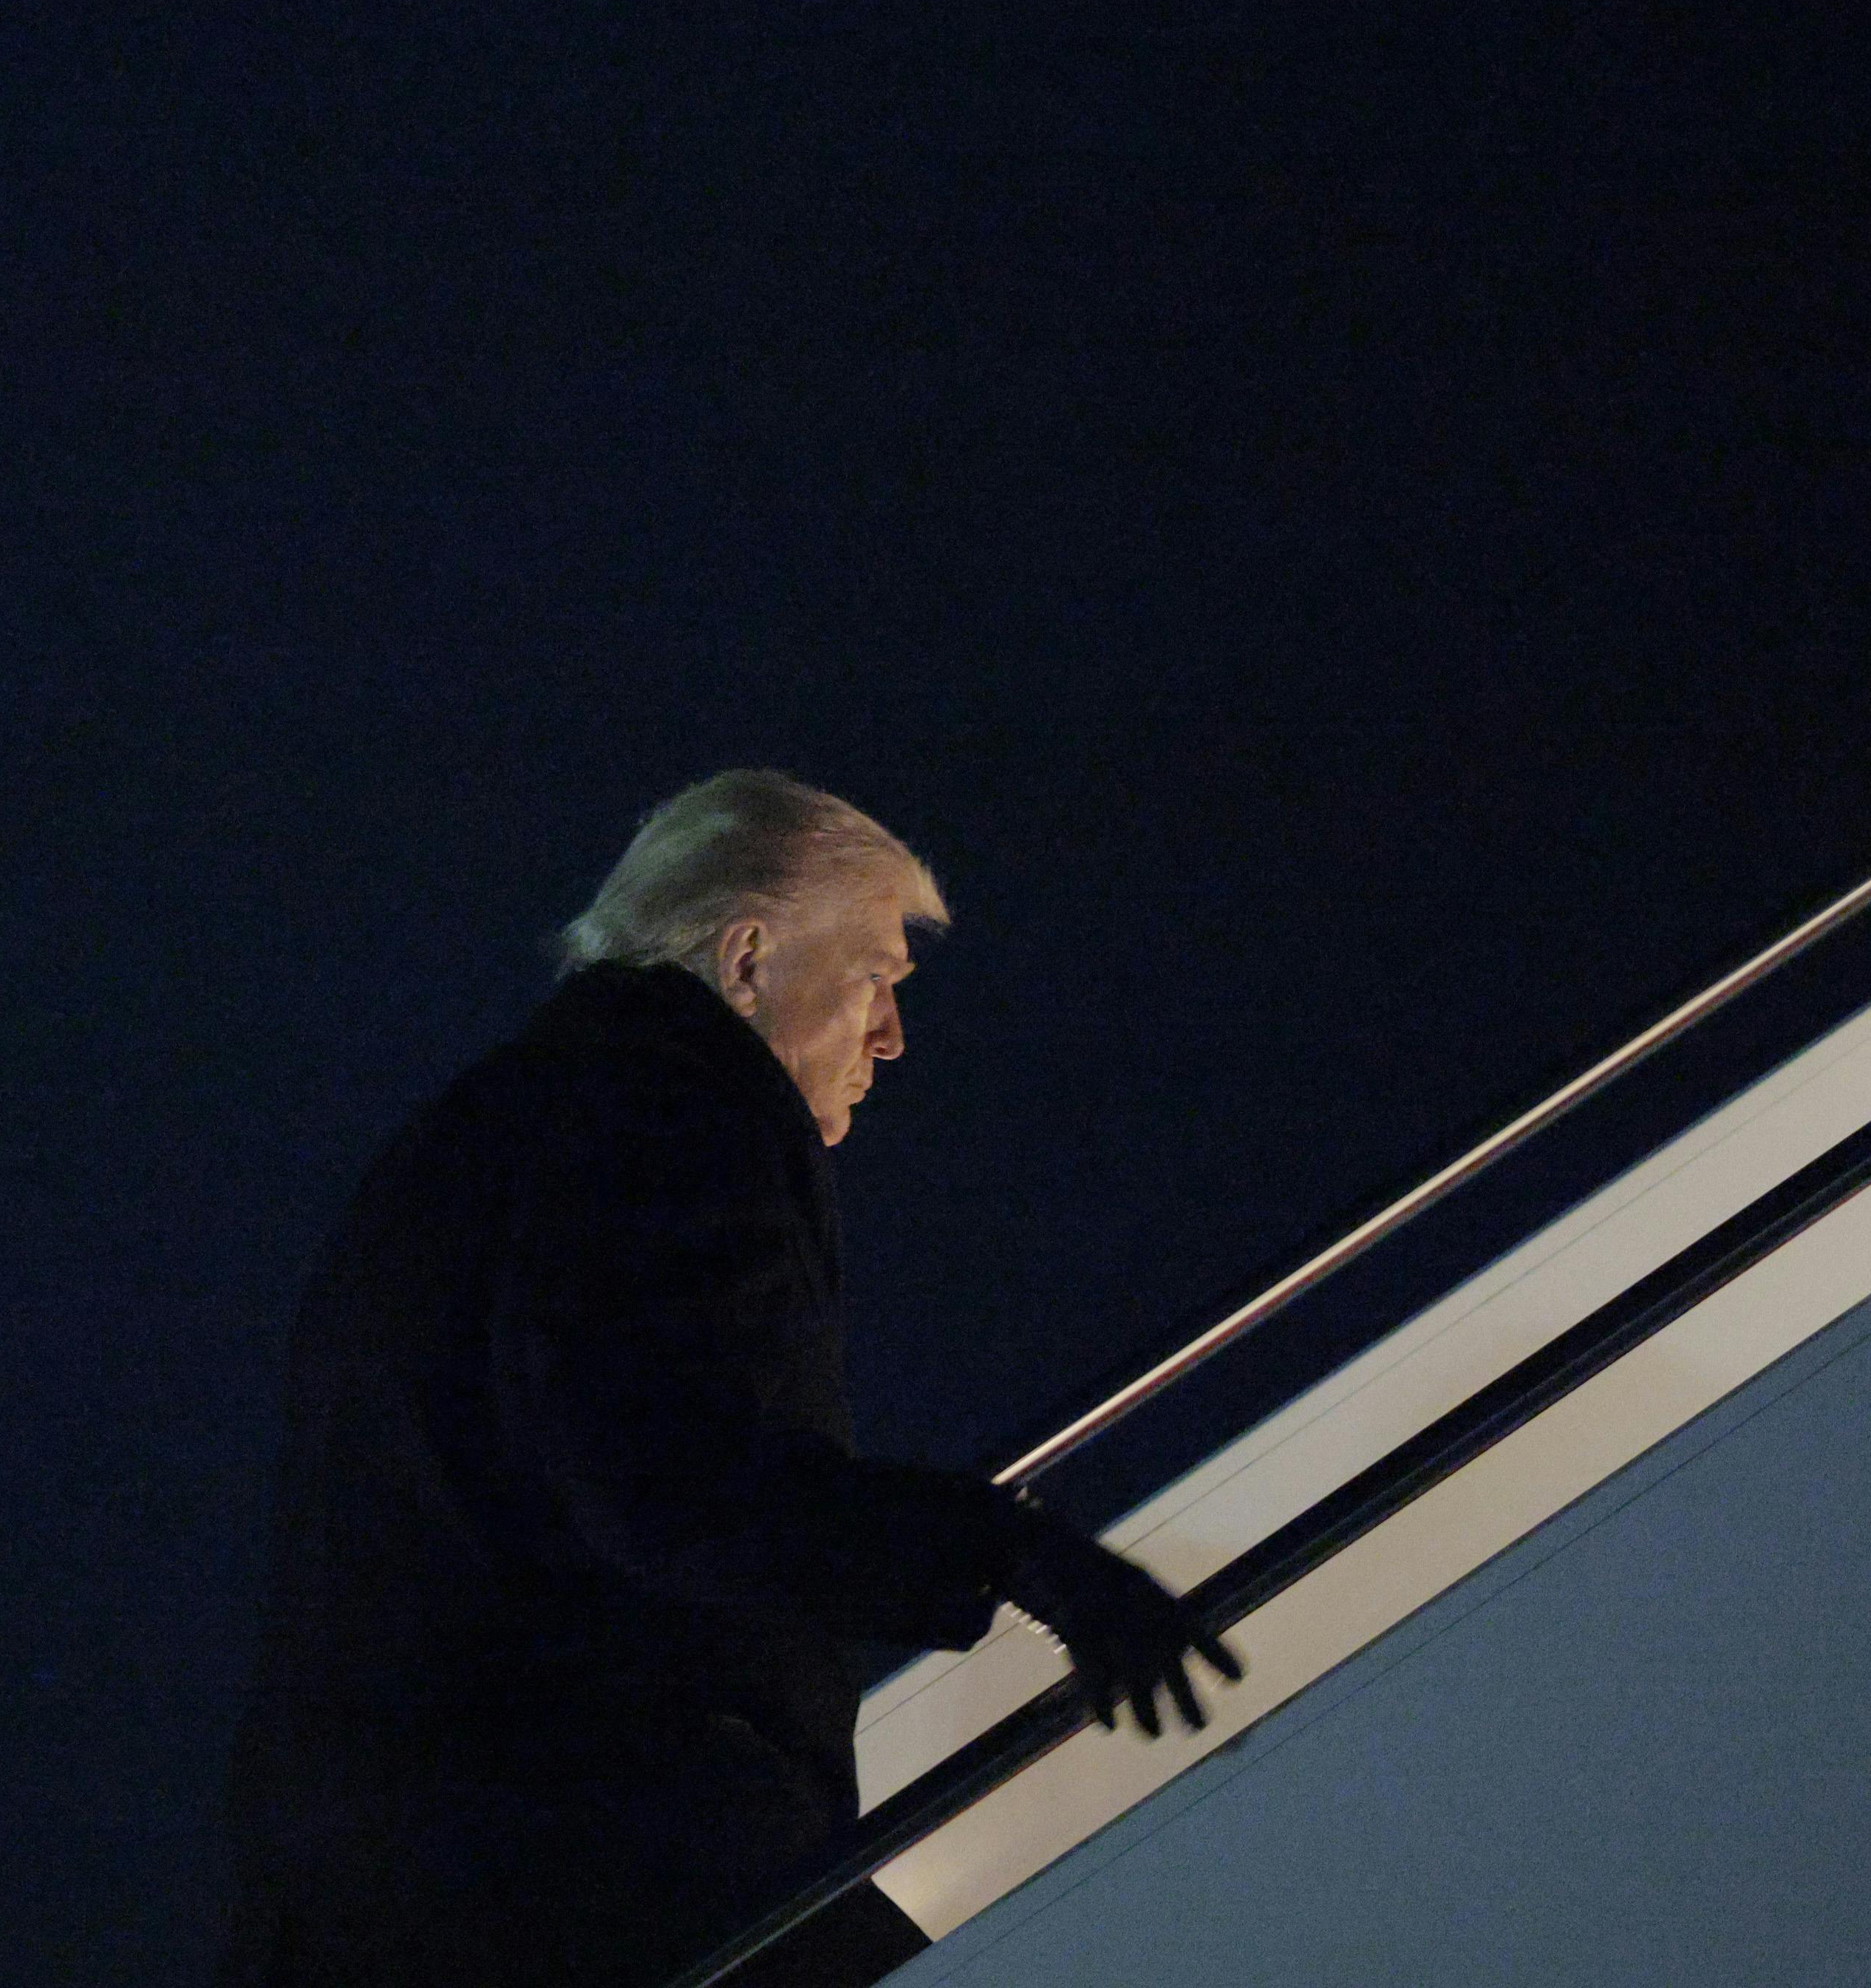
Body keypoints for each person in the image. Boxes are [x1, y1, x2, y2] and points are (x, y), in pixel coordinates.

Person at [215, 771, 1236, 1988]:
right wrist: (1017, 1553)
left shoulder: (473, 1138)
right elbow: (678, 1482)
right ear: (749, 959)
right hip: (591, 1855)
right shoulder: (676, 1116)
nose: (894, 1036)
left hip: (370, 1882)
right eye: (876, 977)